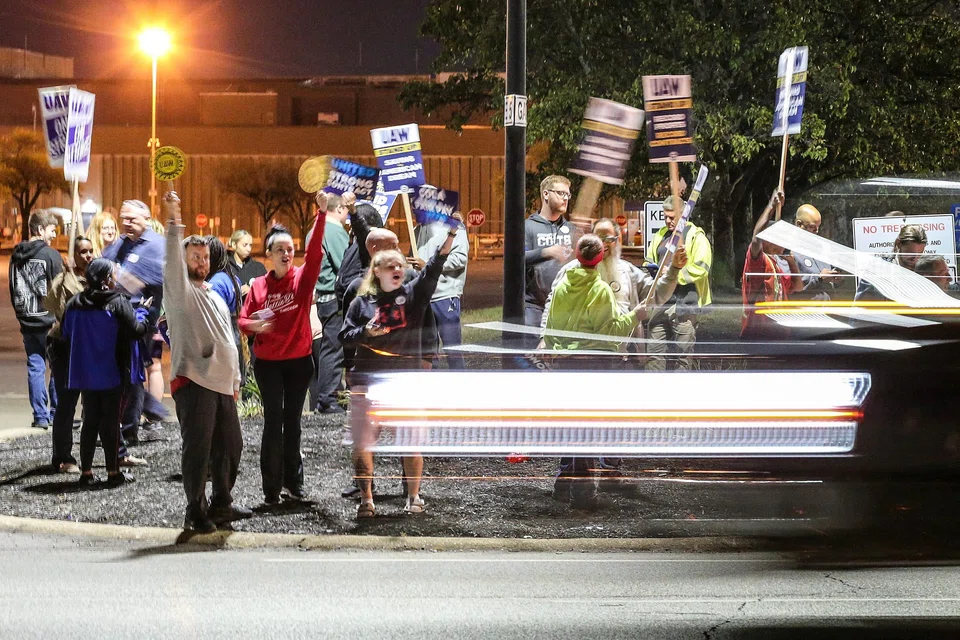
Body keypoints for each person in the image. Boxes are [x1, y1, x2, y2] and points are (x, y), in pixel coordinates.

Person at [340, 215, 461, 519]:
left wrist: (451, 234)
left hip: (404, 382)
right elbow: (344, 336)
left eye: (400, 265)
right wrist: (366, 332)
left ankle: (414, 496)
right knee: (363, 444)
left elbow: (433, 268)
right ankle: (367, 499)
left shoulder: (414, 296)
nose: (397, 269)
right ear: (376, 271)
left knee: (411, 442)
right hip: (368, 382)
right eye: (390, 265)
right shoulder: (361, 303)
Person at [163, 191, 250, 533]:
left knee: (230, 446)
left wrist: (236, 379)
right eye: (194, 256)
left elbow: (227, 337)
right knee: (198, 451)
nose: (201, 261)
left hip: (222, 385)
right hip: (195, 381)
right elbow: (172, 256)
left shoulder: (213, 294)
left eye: (203, 256)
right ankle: (194, 511)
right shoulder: (180, 291)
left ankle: (221, 504)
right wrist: (173, 217)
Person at [543, 234, 649, 510]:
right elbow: (611, 332)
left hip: (566, 362)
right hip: (593, 363)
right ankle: (584, 493)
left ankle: (563, 483)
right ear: (599, 259)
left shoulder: (564, 284)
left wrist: (555, 349)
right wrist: (635, 316)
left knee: (572, 427)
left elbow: (551, 327)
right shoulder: (601, 290)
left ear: (578, 256)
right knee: (588, 429)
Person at [239, 193, 330, 505]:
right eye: (280, 249)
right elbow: (242, 320)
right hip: (268, 364)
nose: (286, 254)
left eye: (290, 249)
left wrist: (321, 214)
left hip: (298, 362)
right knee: (272, 422)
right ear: (269, 254)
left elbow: (316, 253)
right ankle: (271, 489)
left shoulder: (302, 280)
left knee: (292, 422)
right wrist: (254, 326)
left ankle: (294, 483)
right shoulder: (259, 287)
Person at [62, 258, 153, 488]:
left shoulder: (74, 303)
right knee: (111, 422)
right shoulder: (117, 302)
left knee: (90, 420)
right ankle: (113, 472)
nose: (116, 279)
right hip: (112, 370)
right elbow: (137, 330)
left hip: (84, 371)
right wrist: (143, 311)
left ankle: (87, 472)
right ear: (105, 279)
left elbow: (66, 332)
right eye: (113, 275)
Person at [101, 199, 167, 445]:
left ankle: (130, 429)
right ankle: (141, 414)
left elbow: (152, 282)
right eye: (124, 218)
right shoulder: (119, 244)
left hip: (141, 320)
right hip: (115, 318)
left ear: (147, 220)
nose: (126, 223)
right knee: (122, 371)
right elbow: (102, 265)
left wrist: (120, 278)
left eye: (132, 219)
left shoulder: (157, 246)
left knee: (134, 372)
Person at [44, 235, 94, 473]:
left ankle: (100, 454)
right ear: (74, 255)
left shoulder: (96, 279)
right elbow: (55, 304)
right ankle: (62, 456)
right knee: (66, 402)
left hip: (87, 348)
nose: (88, 255)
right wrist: (68, 275)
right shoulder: (64, 279)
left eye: (91, 251)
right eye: (83, 251)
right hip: (64, 347)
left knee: (94, 403)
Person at [645, 194, 713, 370]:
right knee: (654, 353)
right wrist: (652, 271)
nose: (668, 221)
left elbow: (702, 268)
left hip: (685, 303)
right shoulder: (661, 235)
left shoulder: (695, 236)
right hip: (660, 303)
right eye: (665, 217)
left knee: (683, 357)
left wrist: (674, 274)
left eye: (672, 217)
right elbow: (649, 260)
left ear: (683, 215)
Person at [9, 209, 61, 429]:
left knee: (35, 366)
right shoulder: (51, 255)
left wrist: (21, 314)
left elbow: (13, 288)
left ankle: (40, 416)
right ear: (40, 229)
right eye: (52, 230)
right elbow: (61, 290)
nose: (54, 235)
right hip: (49, 322)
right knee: (57, 368)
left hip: (27, 319)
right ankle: (56, 412)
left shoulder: (15, 256)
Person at [523, 175, 581, 346]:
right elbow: (517, 259)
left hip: (565, 306)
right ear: (546, 194)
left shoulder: (572, 230)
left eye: (568, 195)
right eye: (561, 193)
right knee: (533, 359)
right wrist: (548, 252)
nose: (565, 198)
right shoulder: (528, 226)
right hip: (534, 306)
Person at [311, 193, 350, 414]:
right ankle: (328, 399)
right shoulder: (334, 231)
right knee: (334, 350)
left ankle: (327, 397)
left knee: (329, 347)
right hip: (334, 299)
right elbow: (344, 264)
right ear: (340, 209)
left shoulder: (315, 228)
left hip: (322, 298)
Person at [414, 215, 469, 369]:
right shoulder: (416, 231)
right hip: (424, 298)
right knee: (428, 354)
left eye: (416, 202)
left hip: (445, 295)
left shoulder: (453, 227)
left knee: (453, 350)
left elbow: (460, 258)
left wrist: (428, 265)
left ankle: (459, 385)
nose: (413, 208)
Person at [741, 190, 797, 339]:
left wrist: (792, 263)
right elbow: (756, 238)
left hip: (778, 330)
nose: (783, 245)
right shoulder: (758, 261)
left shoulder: (776, 265)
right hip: (758, 330)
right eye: (780, 240)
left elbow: (796, 287)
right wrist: (771, 206)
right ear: (768, 240)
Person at [854, 224, 928, 302]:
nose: (915, 258)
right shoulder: (878, 268)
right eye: (910, 253)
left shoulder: (926, 269)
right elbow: (863, 305)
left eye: (920, 253)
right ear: (898, 244)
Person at [790, 204, 839, 301]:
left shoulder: (821, 247)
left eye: (818, 226)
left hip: (828, 308)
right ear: (799, 224)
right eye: (812, 227)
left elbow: (827, 273)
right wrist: (819, 278)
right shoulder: (788, 250)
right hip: (806, 310)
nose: (817, 231)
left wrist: (836, 277)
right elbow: (791, 283)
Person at [227, 229, 267, 300]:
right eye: (245, 245)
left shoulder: (258, 268)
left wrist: (252, 291)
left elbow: (267, 291)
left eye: (250, 245)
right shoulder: (224, 267)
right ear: (234, 244)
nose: (248, 249)